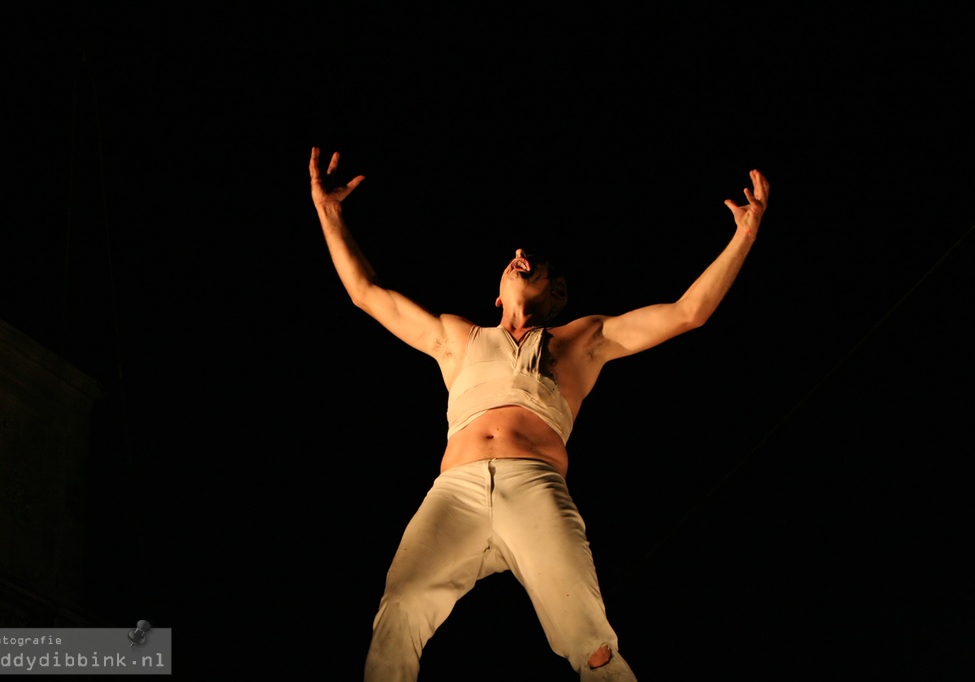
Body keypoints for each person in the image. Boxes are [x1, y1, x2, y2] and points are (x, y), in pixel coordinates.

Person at [309, 146, 770, 682]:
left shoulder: (580, 342)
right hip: (454, 490)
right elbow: (367, 293)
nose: (521, 253)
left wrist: (746, 232)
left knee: (588, 637)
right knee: (400, 609)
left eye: (537, 262)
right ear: (496, 293)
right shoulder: (457, 337)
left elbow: (689, 312)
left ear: (554, 295)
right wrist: (328, 211)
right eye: (515, 255)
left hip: (534, 484)